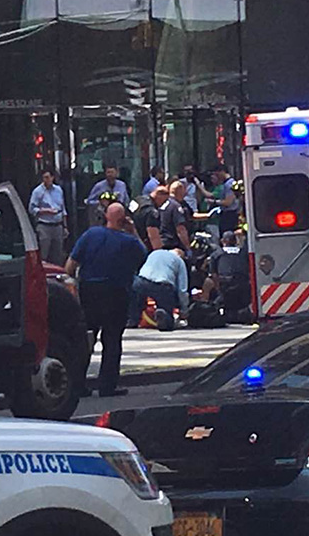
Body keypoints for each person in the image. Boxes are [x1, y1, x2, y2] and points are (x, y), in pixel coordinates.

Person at [65, 203, 145, 396]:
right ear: (124, 219)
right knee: (112, 340)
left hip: (89, 290)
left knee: (86, 339)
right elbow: (144, 256)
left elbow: (70, 265)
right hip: (116, 292)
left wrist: (72, 288)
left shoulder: (90, 235)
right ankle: (107, 386)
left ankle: (77, 384)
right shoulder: (129, 242)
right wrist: (133, 231)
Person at [132, 248, 189, 332]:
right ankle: (164, 316)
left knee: (136, 303)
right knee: (166, 309)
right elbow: (182, 289)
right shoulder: (179, 261)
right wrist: (184, 310)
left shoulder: (155, 252)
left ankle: (132, 320)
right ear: (181, 255)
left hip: (141, 281)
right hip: (162, 285)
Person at [206, 230, 251, 322]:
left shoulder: (217, 254)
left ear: (223, 241)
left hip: (225, 286)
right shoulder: (242, 253)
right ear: (235, 241)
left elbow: (214, 274)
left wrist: (218, 288)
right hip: (243, 286)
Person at [28, 168, 68, 265]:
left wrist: (65, 226)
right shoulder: (37, 191)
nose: (46, 180)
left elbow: (63, 209)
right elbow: (32, 209)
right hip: (44, 225)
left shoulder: (58, 190)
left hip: (57, 225)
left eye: (48, 177)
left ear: (52, 178)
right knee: (44, 253)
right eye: (44, 178)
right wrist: (45, 211)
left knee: (58, 253)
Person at [201, 164, 241, 236]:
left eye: (217, 174)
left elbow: (228, 202)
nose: (217, 177)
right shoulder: (225, 184)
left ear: (222, 172)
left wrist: (214, 202)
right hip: (225, 214)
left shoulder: (230, 184)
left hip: (230, 215)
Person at [159, 182, 191, 252]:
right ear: (179, 191)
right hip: (172, 245)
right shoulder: (176, 206)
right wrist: (188, 247)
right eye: (184, 190)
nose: (185, 193)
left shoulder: (162, 203)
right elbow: (180, 229)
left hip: (161, 242)